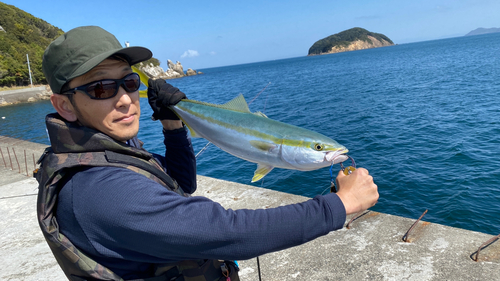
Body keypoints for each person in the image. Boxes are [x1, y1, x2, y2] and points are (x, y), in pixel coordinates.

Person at [36, 25, 378, 281]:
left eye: (129, 83)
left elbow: (182, 184)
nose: (125, 99)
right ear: (64, 105)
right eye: (100, 88)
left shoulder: (111, 152)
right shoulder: (100, 190)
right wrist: (340, 205)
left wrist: (173, 123)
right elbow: (227, 232)